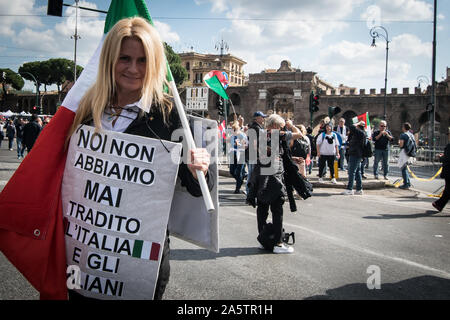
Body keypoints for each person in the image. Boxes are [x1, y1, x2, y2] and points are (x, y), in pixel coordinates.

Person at [62, 17, 212, 299]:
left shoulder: (169, 115)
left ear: (154, 63)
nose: (133, 69)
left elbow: (201, 188)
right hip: (81, 255)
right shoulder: (85, 108)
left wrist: (200, 166)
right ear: (110, 59)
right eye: (125, 58)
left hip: (140, 263)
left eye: (142, 60)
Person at [247, 114, 294, 254]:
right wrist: (290, 127)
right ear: (274, 126)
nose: (282, 128)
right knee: (277, 211)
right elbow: (299, 135)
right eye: (281, 126)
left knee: (262, 210)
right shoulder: (276, 135)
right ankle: (278, 243)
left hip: (261, 177)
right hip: (273, 178)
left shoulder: (260, 135)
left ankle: (264, 240)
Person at [342, 121, 366, 195]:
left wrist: (357, 123)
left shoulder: (360, 133)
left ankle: (350, 189)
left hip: (355, 154)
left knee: (351, 171)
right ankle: (359, 189)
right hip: (357, 154)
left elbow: (351, 127)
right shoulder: (362, 133)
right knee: (357, 172)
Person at [245, 111, 266, 195]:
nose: (264, 118)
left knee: (252, 173)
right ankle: (249, 192)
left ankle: (250, 191)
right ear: (257, 118)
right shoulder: (256, 128)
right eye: (262, 117)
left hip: (253, 154)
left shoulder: (257, 127)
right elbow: (255, 142)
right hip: (253, 155)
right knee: (252, 174)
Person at [229, 121, 247, 194]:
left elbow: (245, 146)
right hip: (233, 154)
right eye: (232, 129)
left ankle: (237, 188)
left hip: (241, 155)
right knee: (232, 171)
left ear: (237, 129)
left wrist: (239, 144)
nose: (233, 131)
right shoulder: (232, 136)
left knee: (239, 172)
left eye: (234, 129)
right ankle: (241, 179)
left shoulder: (242, 135)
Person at [432, 141, 450, 212]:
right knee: (447, 190)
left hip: (449, 172)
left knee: (448, 190)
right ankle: (439, 204)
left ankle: (439, 204)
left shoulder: (449, 146)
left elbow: (448, 159)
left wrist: (441, 157)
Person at [398, 122, 415, 190]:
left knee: (403, 168)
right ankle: (408, 183)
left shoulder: (403, 135)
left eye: (403, 127)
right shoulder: (411, 135)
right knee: (405, 168)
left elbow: (401, 145)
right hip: (410, 153)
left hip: (404, 152)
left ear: (404, 127)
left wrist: (399, 143)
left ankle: (406, 184)